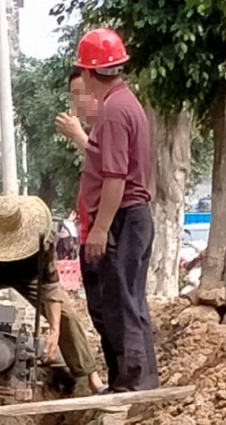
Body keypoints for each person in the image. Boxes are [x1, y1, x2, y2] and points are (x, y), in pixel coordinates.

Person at [0, 195, 103, 395]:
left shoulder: (43, 240)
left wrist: (54, 331)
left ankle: (88, 376)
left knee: (67, 315)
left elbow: (51, 288)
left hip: (29, 273)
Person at [75, 29, 159, 393]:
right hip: (132, 216)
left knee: (120, 303)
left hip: (122, 217)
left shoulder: (112, 112)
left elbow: (114, 177)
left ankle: (130, 383)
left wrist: (100, 228)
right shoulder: (127, 103)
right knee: (131, 301)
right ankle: (140, 381)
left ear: (89, 72)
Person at [55, 68, 119, 390]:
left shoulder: (110, 127)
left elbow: (112, 173)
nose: (78, 102)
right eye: (74, 95)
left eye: (82, 93)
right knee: (99, 310)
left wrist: (80, 136)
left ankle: (123, 381)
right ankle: (113, 379)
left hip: (102, 236)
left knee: (114, 309)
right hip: (88, 236)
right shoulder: (98, 132)